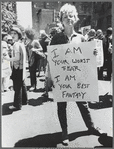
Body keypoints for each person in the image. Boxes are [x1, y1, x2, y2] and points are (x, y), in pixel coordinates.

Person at [48, 3, 107, 145]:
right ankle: (64, 132)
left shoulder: (81, 38)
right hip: (62, 80)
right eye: (65, 16)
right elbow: (51, 59)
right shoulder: (56, 38)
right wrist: (49, 78)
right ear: (61, 19)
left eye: (71, 16)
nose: (68, 18)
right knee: (61, 106)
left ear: (75, 18)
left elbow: (89, 60)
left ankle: (91, 127)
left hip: (78, 79)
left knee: (83, 104)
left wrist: (94, 54)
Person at [3, 26, 28, 110]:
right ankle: (24, 101)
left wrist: (8, 59)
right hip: (21, 68)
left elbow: (17, 58)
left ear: (19, 34)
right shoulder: (21, 43)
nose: (13, 35)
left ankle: (17, 105)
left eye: (15, 33)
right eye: (11, 33)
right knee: (22, 84)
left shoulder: (16, 44)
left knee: (17, 87)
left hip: (17, 68)